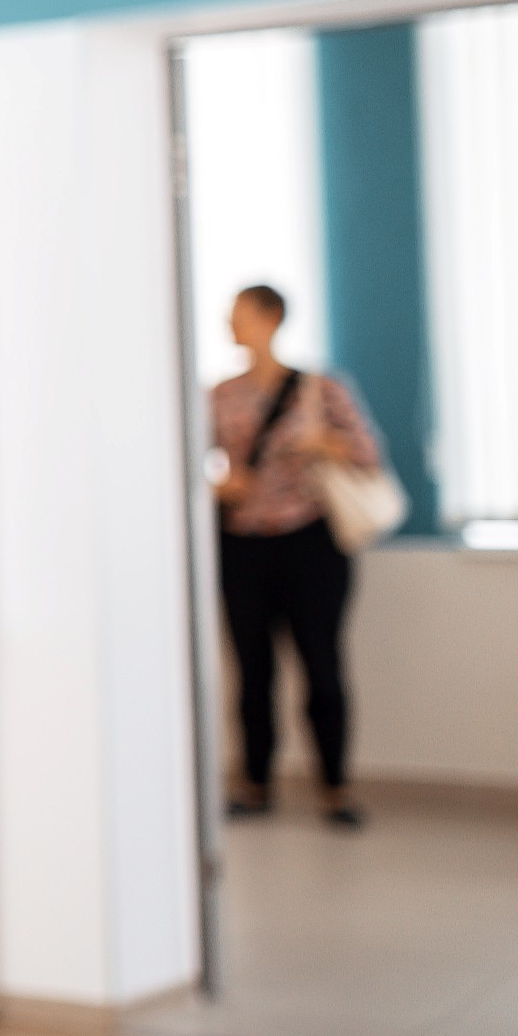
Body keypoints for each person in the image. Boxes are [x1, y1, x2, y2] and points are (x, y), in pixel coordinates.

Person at [210, 283, 382, 830]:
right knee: (251, 671)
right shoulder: (220, 395)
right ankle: (254, 784)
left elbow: (369, 455)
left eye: (239, 315)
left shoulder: (319, 390)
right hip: (243, 544)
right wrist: (222, 486)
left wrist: (322, 443)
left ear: (271, 319)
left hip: (310, 544)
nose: (230, 324)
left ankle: (335, 788)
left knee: (321, 666)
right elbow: (192, 465)